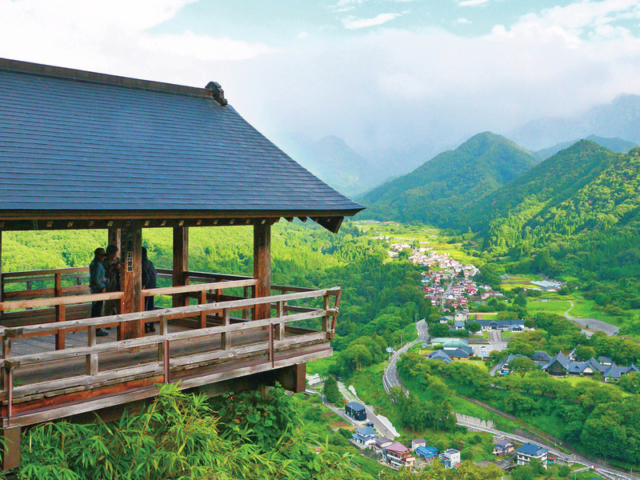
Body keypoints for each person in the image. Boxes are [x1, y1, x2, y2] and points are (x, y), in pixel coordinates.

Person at [89, 248, 109, 337]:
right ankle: (97, 329)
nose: (103, 257)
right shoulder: (97, 265)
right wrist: (102, 288)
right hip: (98, 289)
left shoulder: (94, 263)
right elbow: (96, 279)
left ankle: (95, 328)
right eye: (102, 256)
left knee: (95, 309)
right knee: (97, 309)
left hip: (94, 289)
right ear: (99, 256)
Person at [142, 247, 158, 333]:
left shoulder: (142, 263)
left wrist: (143, 285)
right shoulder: (149, 262)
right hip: (152, 287)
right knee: (150, 306)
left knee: (144, 306)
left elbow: (145, 276)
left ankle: (145, 326)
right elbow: (155, 273)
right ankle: (151, 325)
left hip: (146, 288)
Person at [103, 245, 121, 318]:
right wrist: (111, 268)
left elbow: (121, 271)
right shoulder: (104, 262)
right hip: (109, 285)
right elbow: (104, 274)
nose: (115, 255)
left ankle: (117, 318)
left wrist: (119, 268)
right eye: (114, 254)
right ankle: (108, 321)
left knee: (117, 302)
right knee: (109, 303)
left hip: (117, 284)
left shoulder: (117, 260)